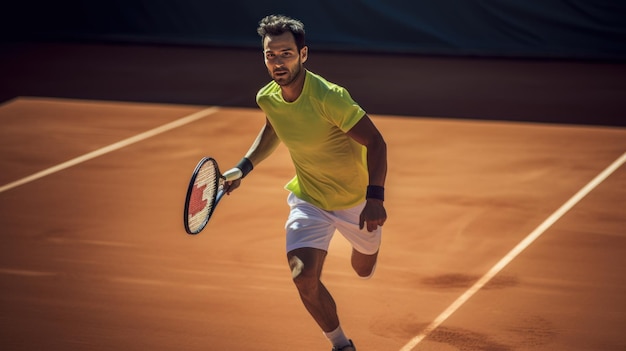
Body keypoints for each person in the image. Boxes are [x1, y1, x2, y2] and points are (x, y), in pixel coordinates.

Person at [224, 14, 387, 351]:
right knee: (303, 277)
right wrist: (242, 169)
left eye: (286, 53)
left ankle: (366, 248)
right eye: (271, 55)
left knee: (363, 267)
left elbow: (376, 142)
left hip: (355, 201)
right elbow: (274, 128)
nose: (278, 62)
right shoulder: (268, 98)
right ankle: (341, 345)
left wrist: (375, 198)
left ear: (303, 54)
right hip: (310, 198)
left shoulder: (330, 97)